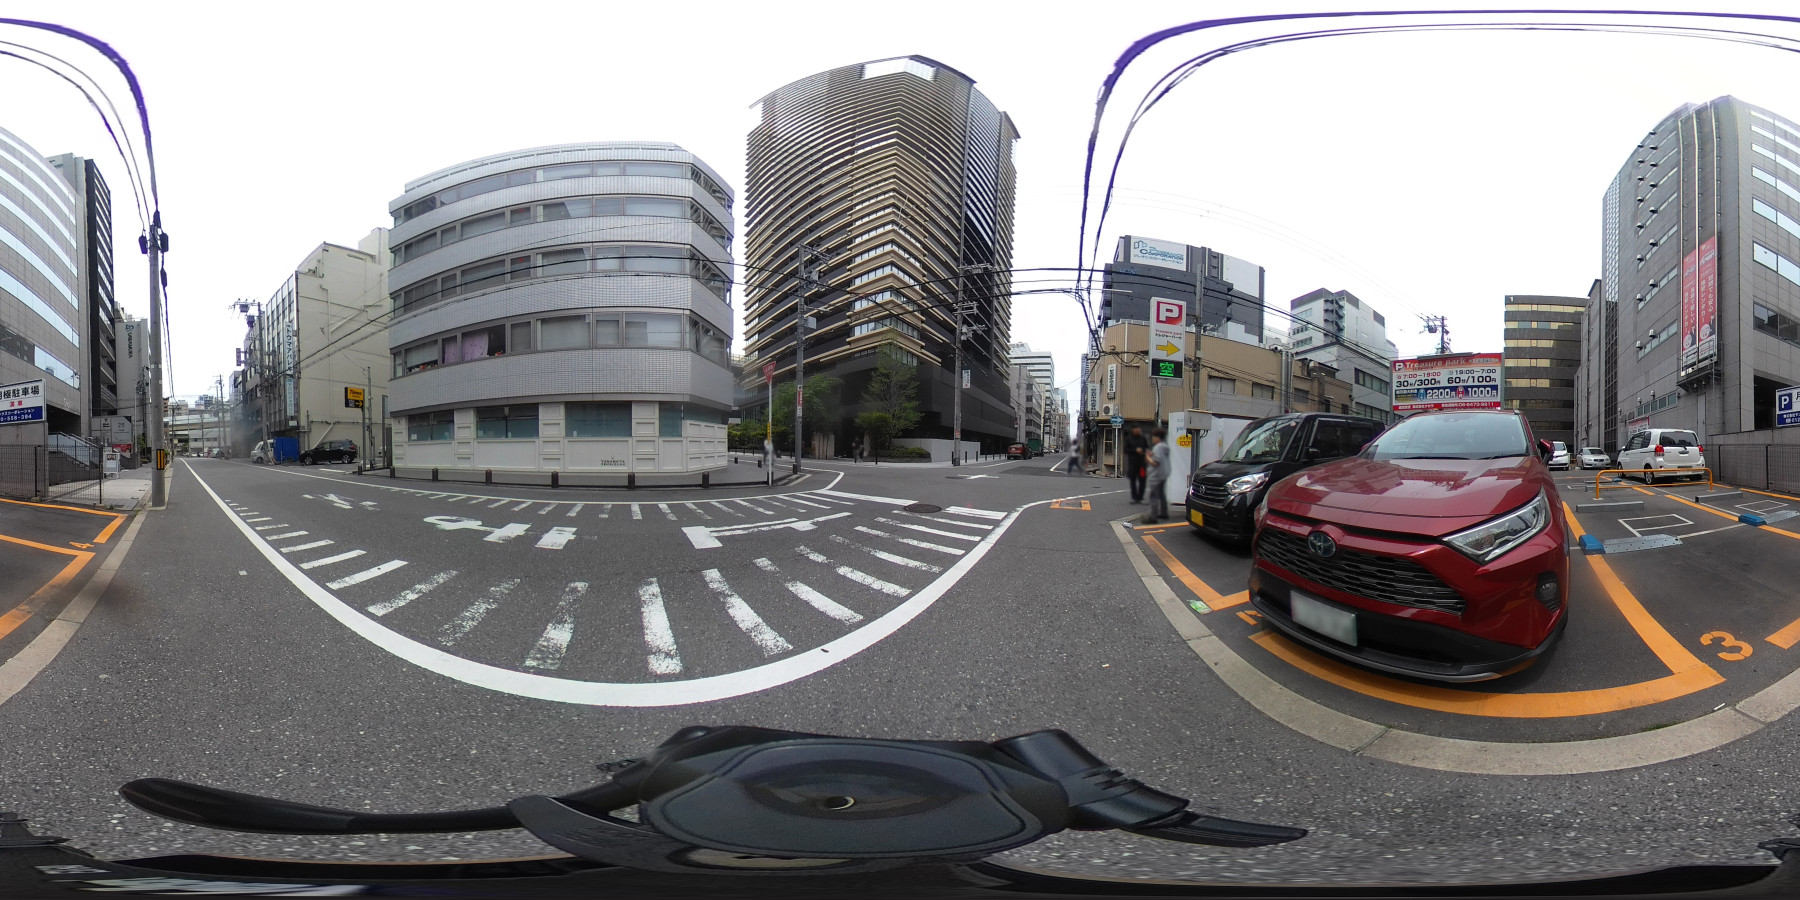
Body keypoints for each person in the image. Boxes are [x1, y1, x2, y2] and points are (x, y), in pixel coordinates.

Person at [1144, 428, 1170, 523]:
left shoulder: (1157, 447)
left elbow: (1155, 463)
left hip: (1156, 475)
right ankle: (1164, 512)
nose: (1152, 439)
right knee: (1161, 494)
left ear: (1158, 437)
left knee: (1153, 496)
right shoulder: (1164, 447)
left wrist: (1147, 457)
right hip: (1163, 474)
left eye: (1154, 437)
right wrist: (1152, 454)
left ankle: (1153, 517)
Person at [1123, 426, 1149, 503]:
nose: (1138, 431)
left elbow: (1146, 448)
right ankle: (1135, 497)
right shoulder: (1128, 439)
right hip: (1132, 463)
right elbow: (1126, 450)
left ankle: (1140, 497)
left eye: (1139, 429)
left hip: (1142, 463)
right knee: (1133, 480)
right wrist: (1135, 450)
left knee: (1142, 480)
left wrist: (1143, 450)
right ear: (1133, 430)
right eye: (1136, 429)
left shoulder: (1142, 438)